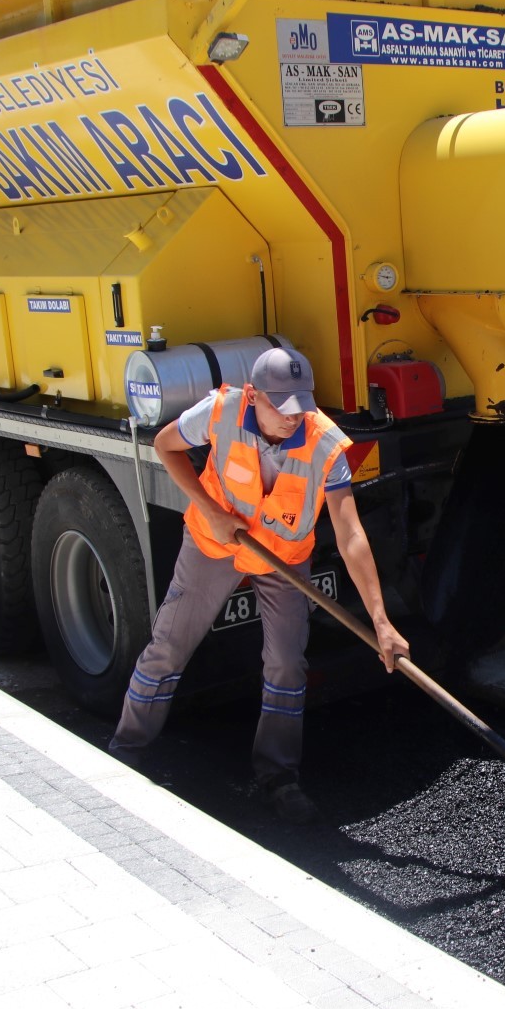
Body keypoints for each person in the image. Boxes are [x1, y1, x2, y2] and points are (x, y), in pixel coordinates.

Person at [109, 346, 408, 824]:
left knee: (287, 665)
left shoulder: (324, 445)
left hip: (283, 558)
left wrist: (381, 620)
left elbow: (351, 535)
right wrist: (211, 510)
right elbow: (165, 444)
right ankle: (126, 749)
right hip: (214, 545)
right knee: (168, 647)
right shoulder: (221, 410)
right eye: (280, 407)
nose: (293, 419)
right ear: (254, 395)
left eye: (300, 407)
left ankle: (277, 776)